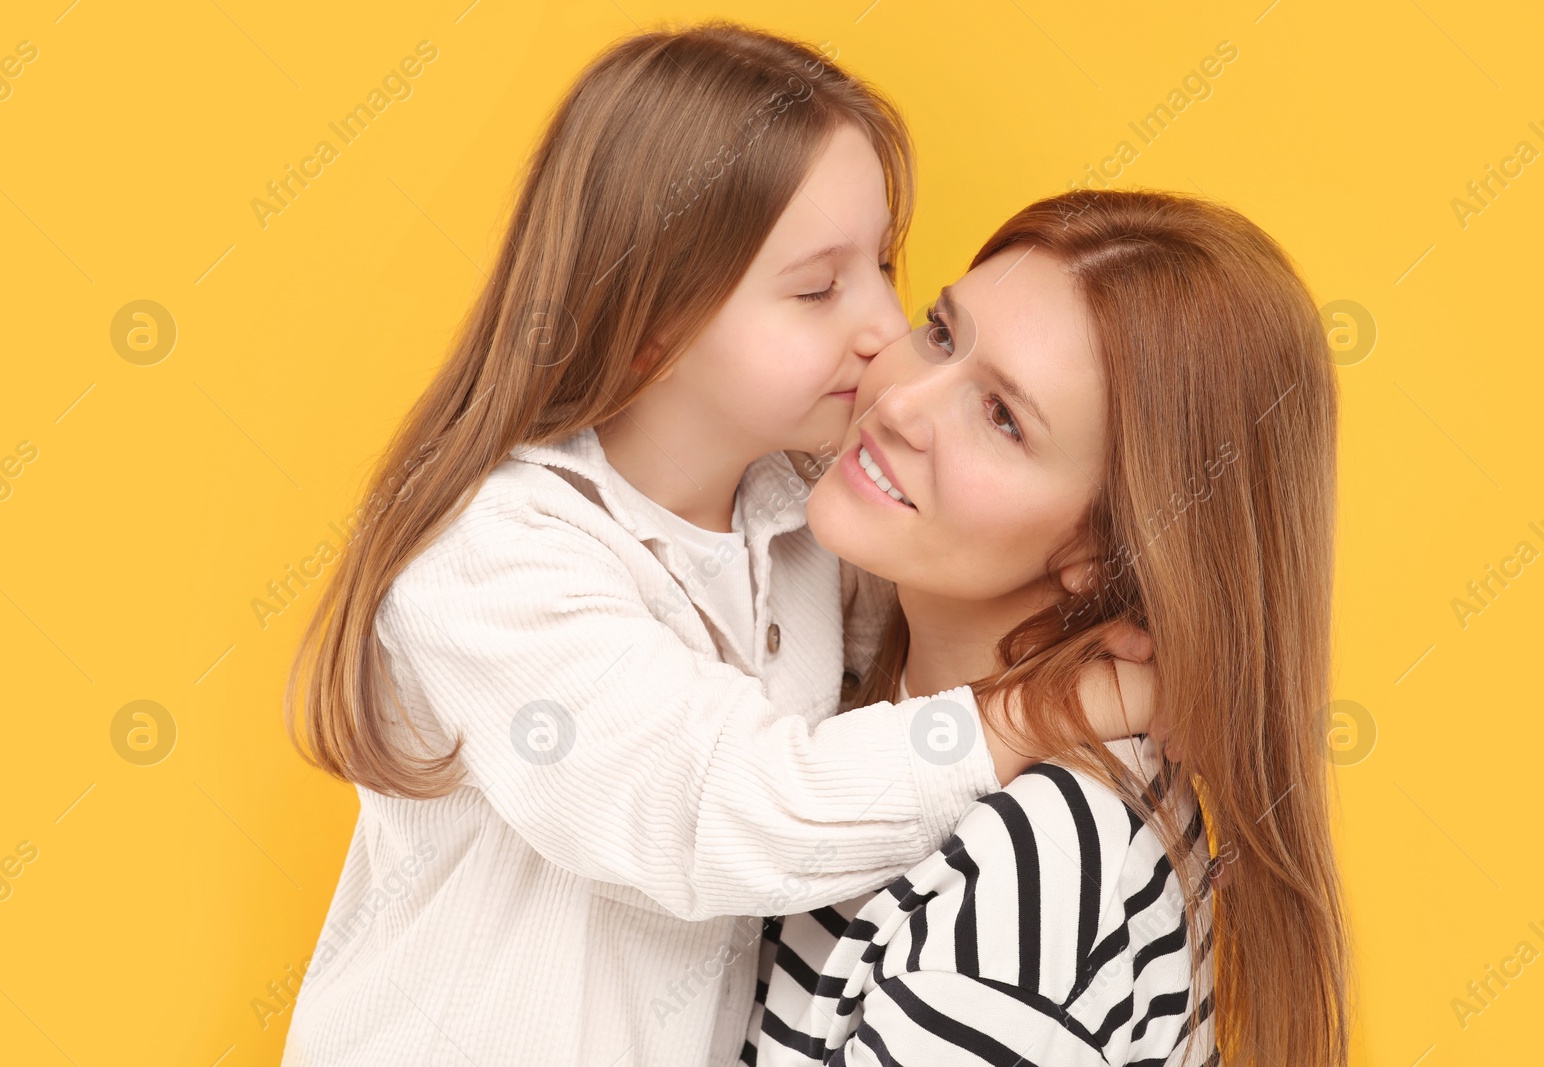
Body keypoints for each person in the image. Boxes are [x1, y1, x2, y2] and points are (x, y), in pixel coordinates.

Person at [279, 24, 1152, 1066]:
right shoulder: (498, 558)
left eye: (881, 264)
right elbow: (722, 808)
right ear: (651, 320)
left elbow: (958, 623)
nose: (883, 325)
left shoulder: (797, 523)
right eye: (817, 288)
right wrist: (1067, 706)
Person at [747, 189, 1350, 1067]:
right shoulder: (854, 662)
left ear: (1106, 552)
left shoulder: (1027, 894)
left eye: (1001, 417)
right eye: (943, 333)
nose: (901, 403)